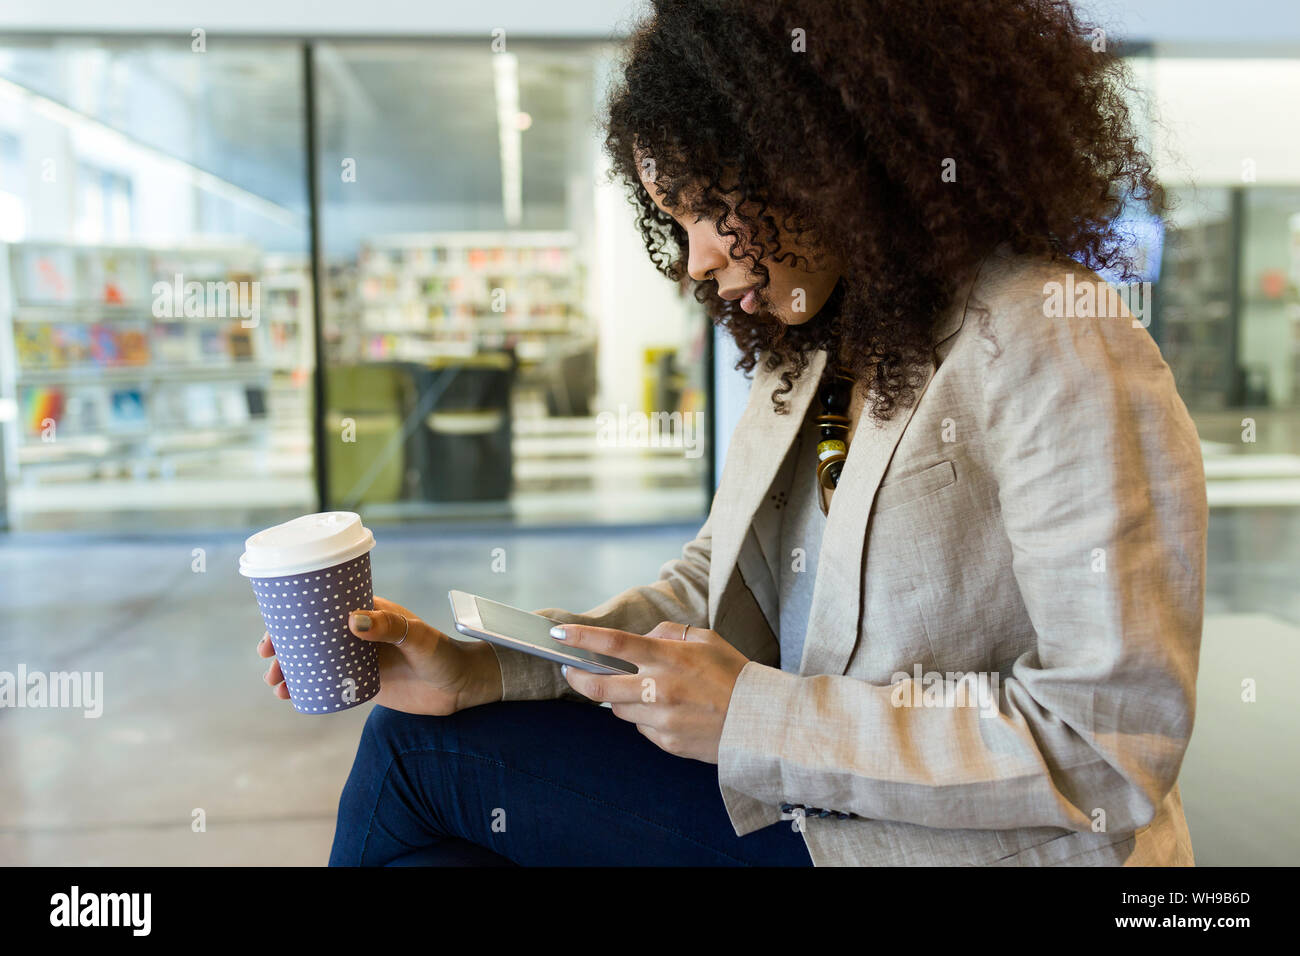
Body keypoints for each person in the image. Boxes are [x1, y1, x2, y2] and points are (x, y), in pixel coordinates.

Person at [257, 0, 1206, 866]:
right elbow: (709, 590)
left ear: (827, 148)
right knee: (423, 748)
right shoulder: (815, 355)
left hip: (942, 849)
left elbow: (1108, 746)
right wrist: (486, 668)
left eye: (710, 208)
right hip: (807, 807)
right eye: (676, 220)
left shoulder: (1054, 340)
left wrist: (757, 718)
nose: (696, 261)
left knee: (417, 763)